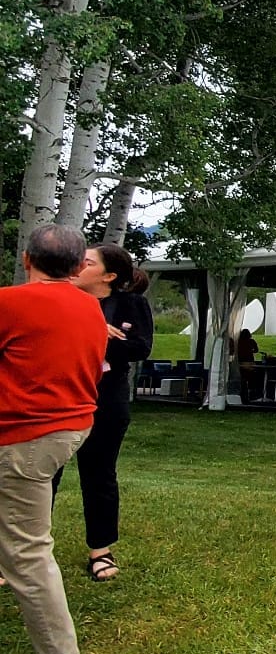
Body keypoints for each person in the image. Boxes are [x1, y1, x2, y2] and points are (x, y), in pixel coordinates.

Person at [0, 224, 111, 654]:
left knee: (26, 552)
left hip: (23, 439)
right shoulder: (89, 307)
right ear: (74, 268)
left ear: (28, 261)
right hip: (68, 430)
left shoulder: (11, 303)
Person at [52, 244, 155, 582]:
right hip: (58, 397)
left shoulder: (130, 304)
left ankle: (101, 550)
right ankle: (24, 553)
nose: (78, 264)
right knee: (42, 476)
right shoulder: (59, 298)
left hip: (105, 400)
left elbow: (139, 347)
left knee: (99, 475)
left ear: (109, 276)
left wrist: (101, 336)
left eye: (88, 261)